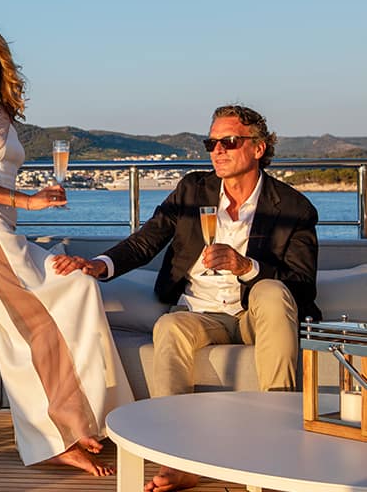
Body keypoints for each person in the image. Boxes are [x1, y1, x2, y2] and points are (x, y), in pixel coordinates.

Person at [53, 104, 321, 492]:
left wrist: (246, 266)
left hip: (256, 314)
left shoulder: (293, 208)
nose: (218, 151)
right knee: (170, 326)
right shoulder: (193, 190)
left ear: (258, 148)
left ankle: (275, 445)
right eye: (211, 143)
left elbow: (302, 284)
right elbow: (146, 240)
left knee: (271, 290)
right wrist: (99, 264)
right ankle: (177, 459)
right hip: (203, 314)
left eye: (229, 141)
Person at [0, 20, 134, 476]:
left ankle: (86, 420)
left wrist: (40, 193)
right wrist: (28, 200)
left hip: (2, 228)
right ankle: (57, 437)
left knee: (78, 286)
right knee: (33, 329)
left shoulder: (1, 109)